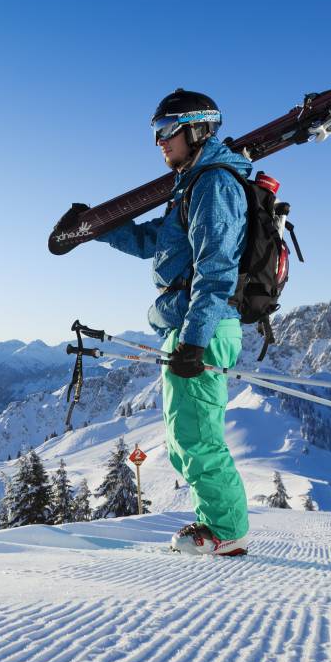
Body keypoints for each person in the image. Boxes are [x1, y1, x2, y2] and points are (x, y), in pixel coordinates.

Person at [93, 89, 251, 556]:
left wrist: (195, 340)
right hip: (187, 327)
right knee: (186, 437)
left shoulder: (213, 185)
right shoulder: (190, 184)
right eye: (155, 133)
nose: (159, 142)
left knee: (197, 435)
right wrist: (101, 228)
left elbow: (217, 266)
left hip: (203, 326)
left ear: (196, 129)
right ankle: (217, 525)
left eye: (166, 131)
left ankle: (226, 531)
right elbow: (154, 244)